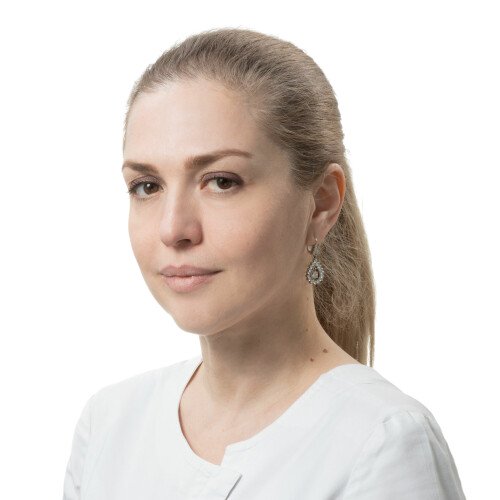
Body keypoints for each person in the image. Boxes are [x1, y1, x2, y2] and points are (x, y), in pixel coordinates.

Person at [63, 28, 466, 499]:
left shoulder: (383, 443)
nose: (173, 229)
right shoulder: (108, 425)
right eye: (147, 186)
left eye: (221, 181)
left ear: (321, 203)